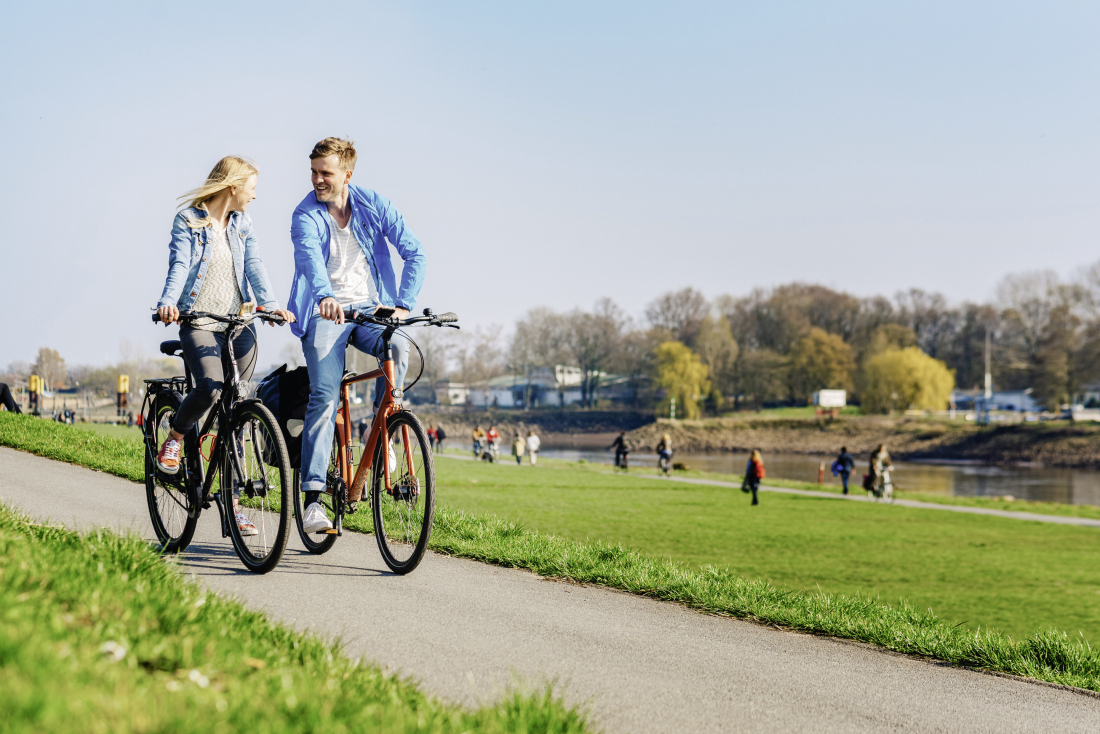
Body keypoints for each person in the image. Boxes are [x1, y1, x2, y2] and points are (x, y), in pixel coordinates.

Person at [288, 138, 427, 535]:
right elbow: (309, 259)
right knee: (325, 396)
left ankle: (382, 431)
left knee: (399, 343)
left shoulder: (374, 205)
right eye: (314, 171)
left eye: (325, 173)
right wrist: (325, 296)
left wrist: (403, 304)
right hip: (325, 312)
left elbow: (415, 252)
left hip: (370, 308)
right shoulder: (305, 215)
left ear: (347, 175)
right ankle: (313, 499)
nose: (317, 179)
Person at [153, 155, 294, 538]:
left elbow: (255, 266)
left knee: (239, 415)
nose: (255, 196)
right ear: (233, 187)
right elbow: (179, 265)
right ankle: (176, 435)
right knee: (211, 388)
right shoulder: (189, 221)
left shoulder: (243, 224)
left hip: (239, 326)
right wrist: (169, 302)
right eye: (252, 188)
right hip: (199, 322)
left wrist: (269, 304)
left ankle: (233, 506)